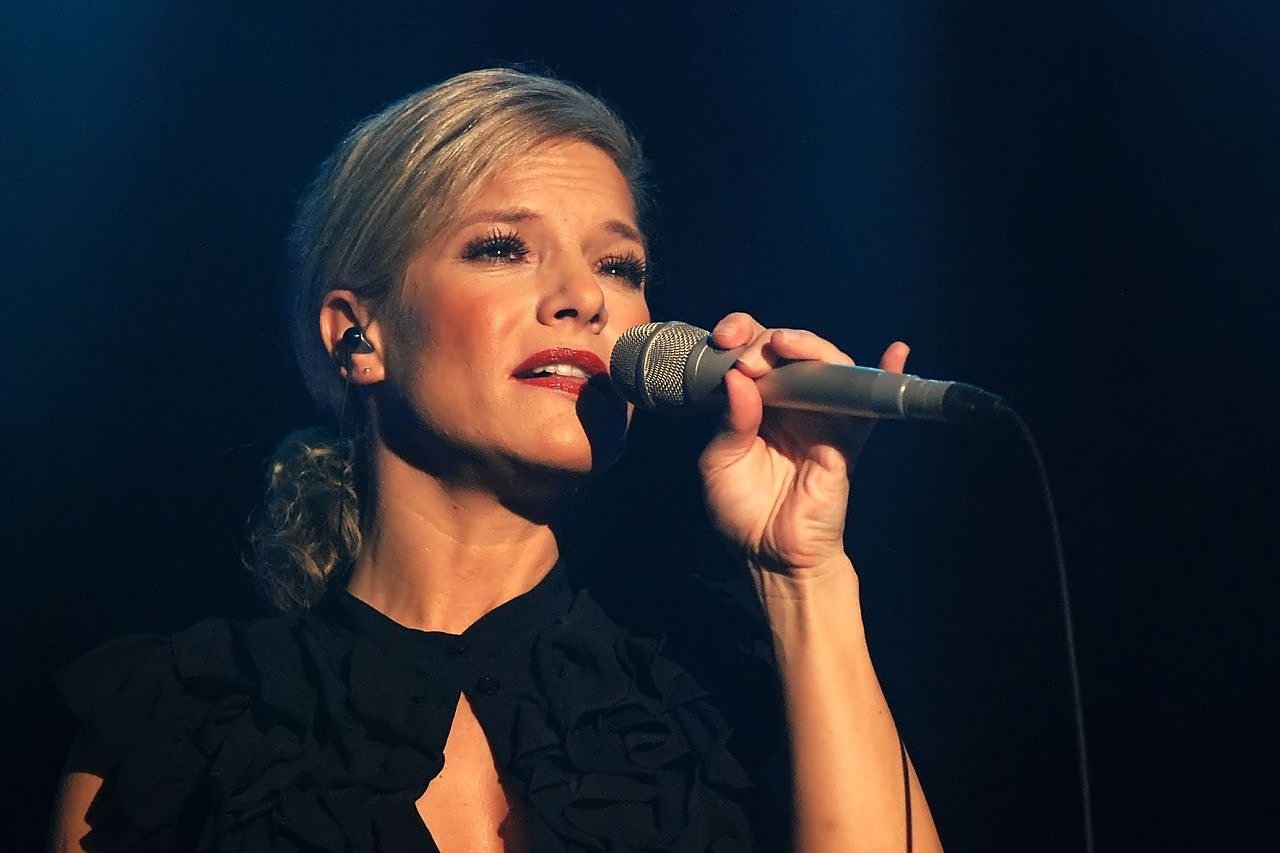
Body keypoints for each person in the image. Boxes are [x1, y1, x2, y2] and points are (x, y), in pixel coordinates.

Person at [49, 68, 943, 852]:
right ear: (358, 335)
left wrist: (805, 577)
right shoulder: (178, 725)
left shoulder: (722, 690)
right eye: (503, 248)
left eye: (619, 265)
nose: (585, 296)